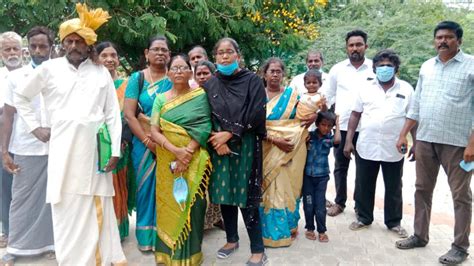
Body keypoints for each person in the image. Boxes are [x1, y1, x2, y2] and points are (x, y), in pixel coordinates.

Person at [13, 4, 126, 264]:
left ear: (88, 45)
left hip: (97, 153)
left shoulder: (100, 73)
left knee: (95, 205)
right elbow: (21, 97)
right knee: (65, 209)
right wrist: (35, 127)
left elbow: (111, 115)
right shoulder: (48, 69)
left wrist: (116, 151)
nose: (74, 46)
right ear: (62, 44)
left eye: (79, 41)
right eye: (69, 41)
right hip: (62, 154)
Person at [395, 21, 474, 265]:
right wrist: (403, 134)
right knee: (421, 190)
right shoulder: (427, 67)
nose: (443, 41)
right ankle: (420, 235)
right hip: (426, 140)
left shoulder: (471, 66)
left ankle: (460, 247)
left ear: (459, 40)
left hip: (458, 144)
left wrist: (472, 144)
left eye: (448, 37)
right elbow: (416, 104)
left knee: (460, 196)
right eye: (439, 37)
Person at [203, 37, 267, 265]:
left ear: (237, 55)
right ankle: (231, 239)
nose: (225, 56)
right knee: (224, 193)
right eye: (220, 53)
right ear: (215, 57)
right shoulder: (210, 84)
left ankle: (258, 249)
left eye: (229, 52)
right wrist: (217, 141)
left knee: (247, 196)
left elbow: (257, 113)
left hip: (246, 145)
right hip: (218, 147)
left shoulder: (252, 81)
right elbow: (205, 114)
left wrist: (229, 135)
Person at [343, 49, 413, 238]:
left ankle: (394, 222)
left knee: (394, 186)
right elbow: (355, 114)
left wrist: (416, 143)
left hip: (394, 146)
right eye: (380, 65)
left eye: (388, 65)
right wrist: (348, 141)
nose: (384, 68)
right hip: (367, 144)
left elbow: (412, 117)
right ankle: (364, 217)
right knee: (364, 183)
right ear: (374, 68)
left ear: (396, 68)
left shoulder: (406, 89)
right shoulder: (365, 88)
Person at [150, 54, 212, 265]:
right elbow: (154, 130)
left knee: (194, 205)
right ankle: (168, 255)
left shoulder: (200, 96)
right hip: (168, 160)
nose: (178, 71)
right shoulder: (160, 99)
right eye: (174, 68)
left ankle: (192, 255)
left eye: (183, 67)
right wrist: (175, 151)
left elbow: (204, 126)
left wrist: (187, 152)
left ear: (190, 72)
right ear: (167, 73)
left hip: (194, 159)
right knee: (169, 204)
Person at [1, 26, 55, 265]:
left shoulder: (59, 74)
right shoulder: (15, 77)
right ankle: (17, 246)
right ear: (27, 49)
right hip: (24, 146)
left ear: (51, 47)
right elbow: (8, 116)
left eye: (43, 46)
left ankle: (53, 242)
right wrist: (4, 151)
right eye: (33, 46)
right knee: (20, 197)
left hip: (57, 146)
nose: (38, 50)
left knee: (53, 198)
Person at [123, 35, 172, 251]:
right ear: (146, 53)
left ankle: (165, 236)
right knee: (144, 189)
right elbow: (129, 115)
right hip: (143, 144)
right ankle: (145, 238)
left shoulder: (175, 77)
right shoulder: (137, 78)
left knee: (167, 189)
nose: (160, 53)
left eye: (164, 50)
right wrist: (146, 140)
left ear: (169, 54)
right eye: (156, 49)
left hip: (170, 143)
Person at [323, 29, 375, 217]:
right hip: (342, 127)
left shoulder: (374, 68)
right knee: (340, 167)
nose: (355, 48)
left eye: (359, 44)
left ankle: (361, 207)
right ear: (346, 47)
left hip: (367, 128)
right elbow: (327, 96)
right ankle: (339, 202)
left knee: (364, 170)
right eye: (351, 45)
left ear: (366, 46)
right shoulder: (337, 70)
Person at [258, 57, 308, 247]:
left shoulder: (292, 95)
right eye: (272, 71)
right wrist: (274, 138)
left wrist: (312, 117)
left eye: (279, 71)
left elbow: (303, 119)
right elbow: (252, 123)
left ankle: (288, 227)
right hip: (266, 147)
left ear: (283, 74)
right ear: (265, 73)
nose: (275, 74)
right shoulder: (257, 94)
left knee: (288, 187)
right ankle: (268, 233)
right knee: (269, 188)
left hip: (290, 149)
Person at [96, 41, 136, 241]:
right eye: (104, 55)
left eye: (113, 55)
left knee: (119, 185)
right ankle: (101, 228)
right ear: (96, 58)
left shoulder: (127, 84)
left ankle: (118, 229)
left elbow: (131, 115)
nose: (110, 59)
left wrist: (121, 140)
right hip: (95, 144)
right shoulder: (91, 83)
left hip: (121, 144)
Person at [192, 60, 225, 231]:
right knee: (200, 184)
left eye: (206, 73)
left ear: (213, 74)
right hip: (197, 144)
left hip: (218, 143)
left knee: (216, 183)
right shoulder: (191, 95)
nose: (203, 76)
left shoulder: (221, 93)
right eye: (199, 73)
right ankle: (200, 223)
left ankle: (216, 218)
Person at [0, 31, 22, 249]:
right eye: (7, 49)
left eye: (16, 48)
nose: (12, 53)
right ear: (1, 53)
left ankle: (35, 235)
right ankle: (7, 231)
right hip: (3, 144)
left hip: (29, 143)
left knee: (30, 190)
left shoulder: (31, 74)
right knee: (5, 190)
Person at [303, 111, 340, 242]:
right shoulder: (310, 136)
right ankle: (309, 228)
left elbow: (337, 140)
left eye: (329, 126)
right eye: (323, 125)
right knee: (308, 204)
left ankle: (322, 230)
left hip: (322, 177)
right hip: (307, 176)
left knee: (320, 205)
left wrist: (338, 124)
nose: (326, 128)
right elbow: (303, 129)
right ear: (317, 124)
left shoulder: (329, 138)